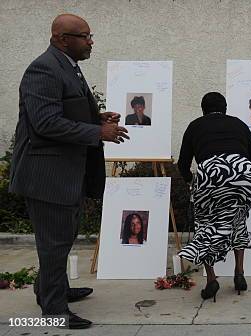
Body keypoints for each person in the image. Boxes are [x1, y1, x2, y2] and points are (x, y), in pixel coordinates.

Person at [8, 14, 129, 329]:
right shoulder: (43, 69)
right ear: (62, 38)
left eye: (91, 35)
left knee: (61, 239)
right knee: (53, 243)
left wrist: (97, 117)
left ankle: (52, 288)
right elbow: (46, 123)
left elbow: (63, 110)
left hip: (65, 173)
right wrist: (98, 133)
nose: (90, 42)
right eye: (85, 36)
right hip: (48, 175)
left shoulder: (67, 67)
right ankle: (53, 310)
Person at [177, 92, 251, 302]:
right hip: (243, 172)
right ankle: (239, 274)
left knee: (206, 225)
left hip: (210, 172)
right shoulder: (239, 124)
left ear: (202, 109)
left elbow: (183, 164)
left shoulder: (194, 126)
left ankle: (212, 279)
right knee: (238, 219)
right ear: (225, 108)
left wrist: (193, 183)